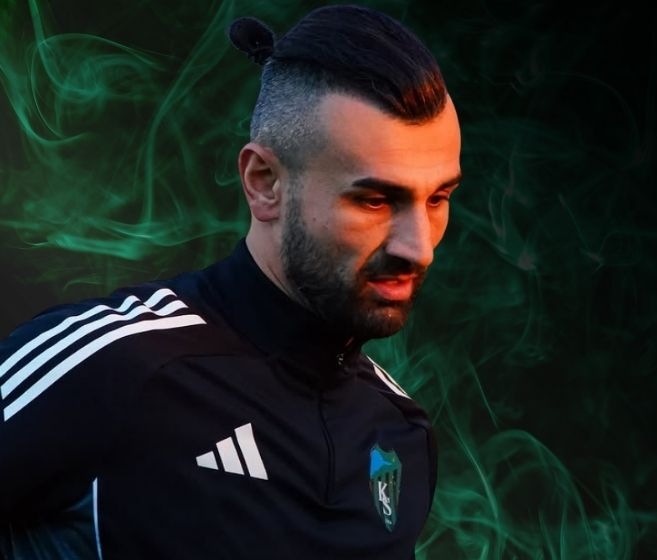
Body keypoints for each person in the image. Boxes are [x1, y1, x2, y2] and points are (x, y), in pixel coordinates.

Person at [0, 4, 461, 558]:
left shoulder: (400, 432)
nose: (419, 246)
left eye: (438, 198)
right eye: (375, 200)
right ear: (264, 183)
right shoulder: (113, 367)